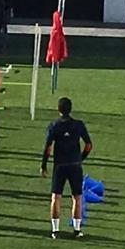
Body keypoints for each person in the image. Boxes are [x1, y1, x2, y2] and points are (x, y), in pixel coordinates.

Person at [40, 97, 92, 239]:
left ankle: (55, 230)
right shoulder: (79, 125)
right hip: (75, 165)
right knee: (77, 197)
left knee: (56, 197)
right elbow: (88, 145)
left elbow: (48, 148)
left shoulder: (54, 125)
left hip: (60, 166)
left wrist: (43, 164)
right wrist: (80, 158)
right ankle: (77, 229)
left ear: (59, 110)